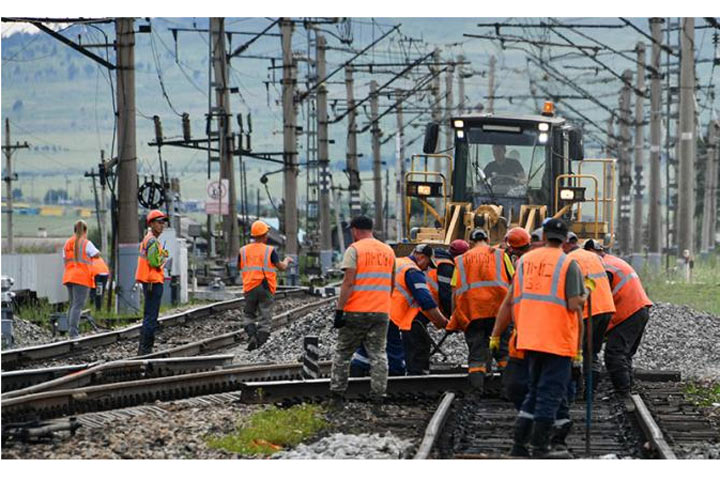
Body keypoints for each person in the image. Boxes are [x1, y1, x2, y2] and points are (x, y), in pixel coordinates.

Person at [491, 218, 585, 458]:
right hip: (556, 340)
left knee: (534, 392)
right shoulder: (568, 264)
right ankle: (541, 448)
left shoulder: (524, 262)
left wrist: (496, 334)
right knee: (549, 394)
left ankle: (519, 446)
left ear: (543, 236)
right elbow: (575, 304)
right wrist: (587, 295)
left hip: (528, 338)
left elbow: (510, 299)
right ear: (565, 241)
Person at [330, 216, 396, 411]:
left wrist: (339, 310)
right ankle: (378, 398)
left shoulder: (354, 249)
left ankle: (337, 397)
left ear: (355, 230)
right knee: (378, 355)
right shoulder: (388, 251)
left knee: (343, 353)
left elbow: (348, 282)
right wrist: (384, 304)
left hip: (356, 311)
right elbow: (392, 284)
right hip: (381, 311)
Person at [584, 239, 652, 398]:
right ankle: (627, 388)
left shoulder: (602, 268)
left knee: (615, 353)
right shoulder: (611, 262)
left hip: (629, 312)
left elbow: (599, 301)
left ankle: (623, 394)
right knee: (624, 354)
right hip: (639, 310)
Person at [449, 228, 514, 394]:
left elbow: (454, 291)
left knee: (477, 353)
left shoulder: (461, 260)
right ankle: (508, 390)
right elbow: (514, 281)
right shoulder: (501, 255)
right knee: (504, 351)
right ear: (488, 239)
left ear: (470, 242)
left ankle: (476, 391)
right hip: (499, 311)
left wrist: (454, 315)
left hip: (473, 312)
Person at [564, 234, 616, 396]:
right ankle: (590, 391)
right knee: (591, 351)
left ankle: (578, 390)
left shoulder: (568, 260)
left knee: (576, 350)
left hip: (587, 311)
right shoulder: (593, 257)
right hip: (606, 308)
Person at [238, 220, 294, 351]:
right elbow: (282, 267)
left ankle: (252, 335)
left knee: (248, 314)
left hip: (249, 287)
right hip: (265, 287)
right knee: (265, 315)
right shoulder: (270, 250)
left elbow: (239, 267)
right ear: (265, 235)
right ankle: (261, 345)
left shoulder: (243, 250)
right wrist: (287, 260)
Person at [395, 244, 450, 376]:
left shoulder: (398, 262)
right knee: (417, 345)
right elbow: (426, 301)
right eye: (427, 263)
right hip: (395, 315)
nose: (427, 268)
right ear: (421, 257)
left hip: (381, 310)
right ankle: (413, 379)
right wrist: (442, 321)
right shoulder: (412, 270)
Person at [135, 210, 170, 354]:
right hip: (152, 282)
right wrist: (164, 257)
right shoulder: (152, 241)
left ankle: (144, 348)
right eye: (159, 223)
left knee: (149, 315)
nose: (162, 226)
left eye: (163, 223)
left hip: (149, 281)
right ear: (151, 224)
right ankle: (145, 349)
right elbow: (155, 262)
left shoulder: (149, 239)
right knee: (151, 316)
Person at [62, 220, 101, 339]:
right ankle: (73, 333)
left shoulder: (67, 243)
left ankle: (70, 330)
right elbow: (96, 254)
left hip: (69, 276)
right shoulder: (86, 243)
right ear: (85, 231)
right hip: (81, 278)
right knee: (78, 305)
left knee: (72, 304)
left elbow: (64, 258)